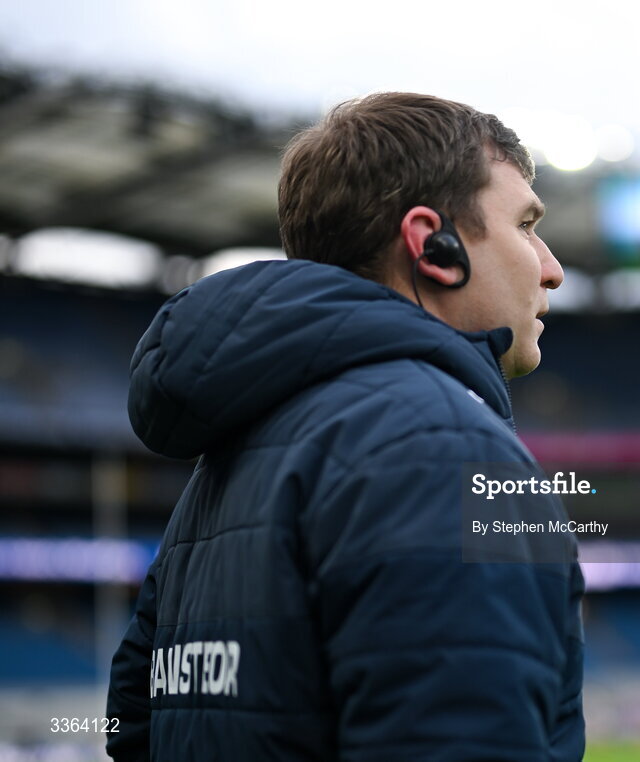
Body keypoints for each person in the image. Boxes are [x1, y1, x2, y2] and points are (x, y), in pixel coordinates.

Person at [105, 92, 585, 761]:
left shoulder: (222, 471)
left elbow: (133, 731)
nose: (552, 269)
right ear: (434, 246)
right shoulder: (444, 450)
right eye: (527, 225)